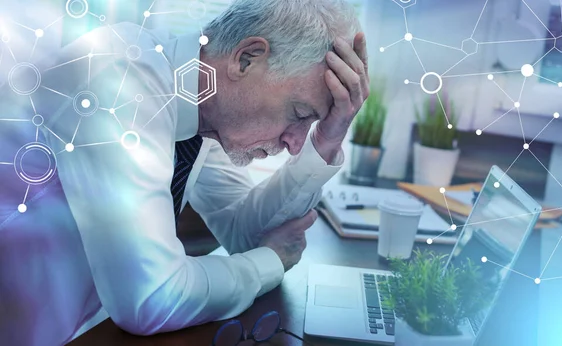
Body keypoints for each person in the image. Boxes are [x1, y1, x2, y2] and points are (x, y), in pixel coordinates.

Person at [0, 0, 369, 345]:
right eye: (300, 114)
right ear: (246, 59)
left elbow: (248, 235)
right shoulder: (122, 83)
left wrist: (326, 140)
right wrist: (270, 262)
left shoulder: (201, 111)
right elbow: (152, 298)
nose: (293, 144)